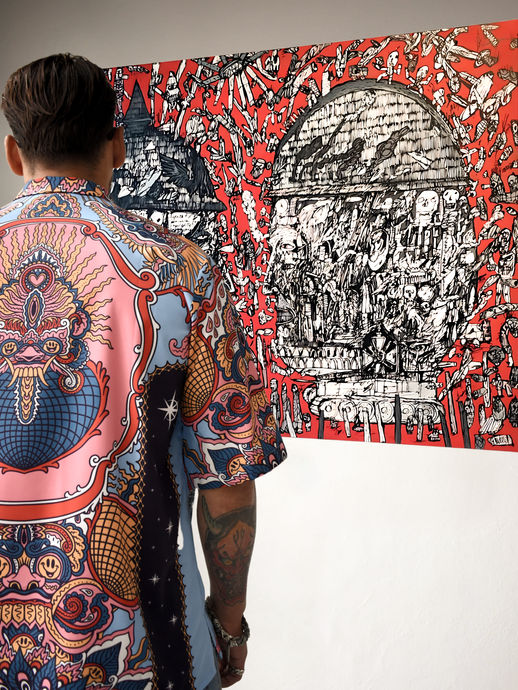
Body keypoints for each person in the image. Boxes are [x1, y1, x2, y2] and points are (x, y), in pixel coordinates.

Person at [0, 54, 285, 690]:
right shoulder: (182, 270)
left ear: (15, 154)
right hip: (142, 653)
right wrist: (229, 627)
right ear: (118, 145)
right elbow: (229, 479)